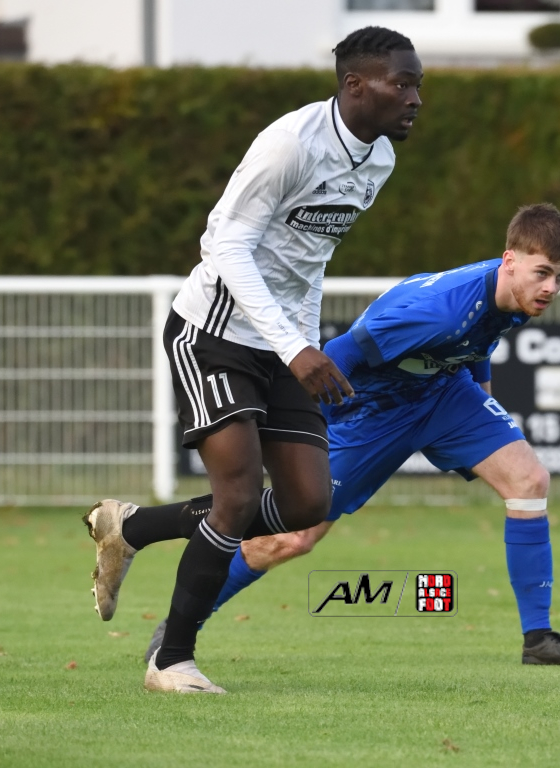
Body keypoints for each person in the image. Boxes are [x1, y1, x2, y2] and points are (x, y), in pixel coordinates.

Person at [82, 26, 423, 694]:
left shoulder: (378, 159)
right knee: (236, 498)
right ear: (355, 85)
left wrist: (304, 343)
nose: (415, 98)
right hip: (212, 331)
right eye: (403, 84)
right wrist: (296, 349)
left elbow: (309, 261)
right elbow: (225, 245)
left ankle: (131, 526)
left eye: (418, 85)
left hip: (280, 343)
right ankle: (170, 661)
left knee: (306, 503)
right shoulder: (289, 143)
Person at [146, 203, 560, 668]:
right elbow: (341, 353)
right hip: (374, 412)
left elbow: (477, 341)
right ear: (509, 261)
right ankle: (180, 625)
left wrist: (484, 409)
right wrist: (305, 434)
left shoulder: (514, 294)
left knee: (529, 480)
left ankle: (538, 639)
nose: (551, 287)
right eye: (543, 273)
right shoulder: (439, 311)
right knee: (290, 538)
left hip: (444, 394)